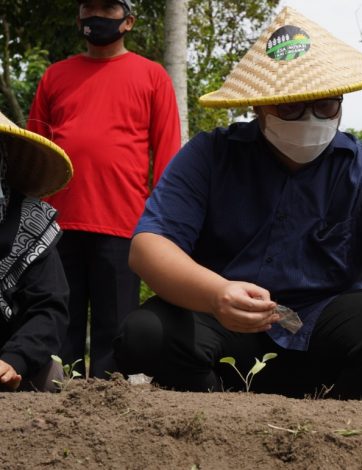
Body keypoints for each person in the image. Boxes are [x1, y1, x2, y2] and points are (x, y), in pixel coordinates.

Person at [113, 7, 362, 403]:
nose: (310, 118)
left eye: (325, 105)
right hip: (223, 329)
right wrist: (216, 294)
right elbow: (149, 247)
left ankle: (335, 420)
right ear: (259, 105)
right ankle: (218, 416)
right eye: (290, 107)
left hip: (327, 340)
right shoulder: (210, 156)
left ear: (342, 102)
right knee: (145, 334)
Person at [27, 0, 181, 379]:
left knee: (117, 329)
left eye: (108, 7)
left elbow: (167, 154)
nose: (96, 14)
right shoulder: (55, 76)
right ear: (79, 17)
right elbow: (32, 150)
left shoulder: (152, 76)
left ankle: (109, 405)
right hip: (55, 223)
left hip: (123, 223)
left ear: (128, 20)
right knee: (59, 320)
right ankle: (55, 397)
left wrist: (161, 226)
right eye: (89, 6)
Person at [0, 111, 72, 392]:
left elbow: (49, 310)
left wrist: (14, 359)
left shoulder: (32, 225)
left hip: (10, 358)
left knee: (51, 377)